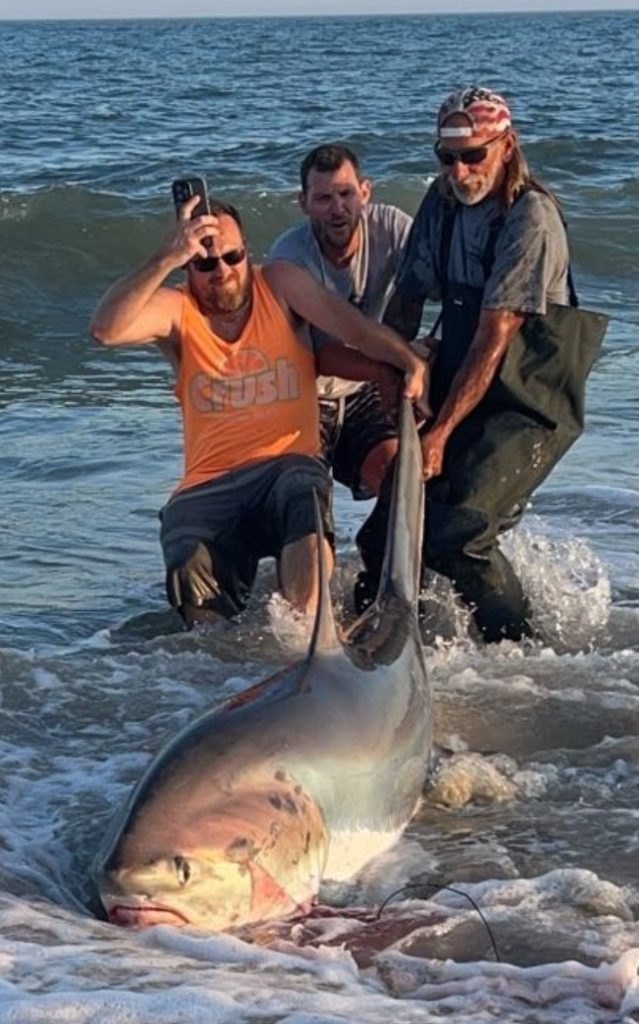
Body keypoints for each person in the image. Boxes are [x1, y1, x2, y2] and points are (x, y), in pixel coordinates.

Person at [90, 195, 426, 628]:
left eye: (233, 257)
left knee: (304, 494)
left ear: (248, 251)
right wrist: (166, 255)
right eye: (205, 264)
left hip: (285, 463)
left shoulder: (280, 282)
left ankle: (310, 641)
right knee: (185, 550)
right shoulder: (178, 308)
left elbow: (353, 329)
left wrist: (408, 363)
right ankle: (221, 674)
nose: (223, 272)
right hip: (210, 482)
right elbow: (105, 329)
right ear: (188, 267)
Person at [364, 85, 605, 643]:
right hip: (459, 373)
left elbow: (494, 335)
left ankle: (519, 657)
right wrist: (393, 384)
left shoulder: (530, 217)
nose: (460, 171)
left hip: (528, 391)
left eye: (474, 156)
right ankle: (386, 649)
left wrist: (441, 433)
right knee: (383, 539)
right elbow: (406, 301)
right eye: (447, 158)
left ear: (508, 146)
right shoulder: (441, 200)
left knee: (459, 534)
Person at [268, 143, 414, 610]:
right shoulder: (289, 256)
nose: (338, 209)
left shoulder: (393, 228)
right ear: (304, 203)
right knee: (308, 504)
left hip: (368, 389)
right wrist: (388, 367)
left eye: (347, 194)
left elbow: (445, 288)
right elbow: (318, 356)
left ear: (365, 192)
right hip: (307, 394)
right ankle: (304, 616)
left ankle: (388, 597)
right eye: (325, 198)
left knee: (401, 473)